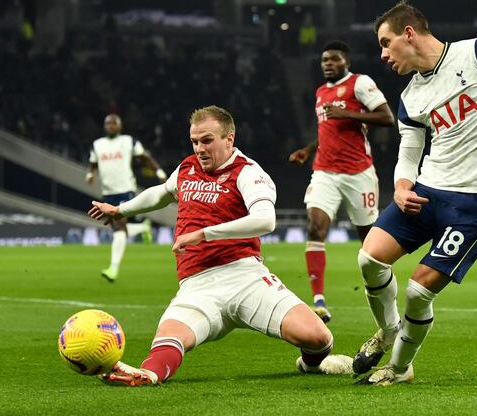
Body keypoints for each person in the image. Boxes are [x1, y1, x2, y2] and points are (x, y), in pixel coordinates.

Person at [87, 106, 352, 386]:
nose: (199, 148)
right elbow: (163, 192)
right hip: (197, 285)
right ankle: (147, 375)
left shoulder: (248, 172)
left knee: (318, 338)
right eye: (195, 141)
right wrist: (120, 210)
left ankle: (309, 365)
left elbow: (265, 220)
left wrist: (204, 234)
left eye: (207, 140)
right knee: (168, 340)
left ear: (229, 138)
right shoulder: (187, 167)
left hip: (245, 277)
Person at [349, 0, 477, 385]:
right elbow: (409, 151)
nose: (383, 55)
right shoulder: (409, 97)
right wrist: (402, 185)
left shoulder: (476, 53)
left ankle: (400, 368)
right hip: (427, 192)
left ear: (409, 33)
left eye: (386, 44)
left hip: (475, 200)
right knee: (369, 259)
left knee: (419, 290)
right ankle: (387, 331)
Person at [288, 40, 395, 323]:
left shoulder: (360, 83)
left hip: (358, 172)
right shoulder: (321, 92)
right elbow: (328, 129)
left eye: (333, 59)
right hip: (324, 170)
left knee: (370, 243)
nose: (327, 64)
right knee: (316, 227)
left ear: (345, 61)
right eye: (324, 60)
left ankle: (381, 292)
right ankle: (319, 302)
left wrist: (347, 112)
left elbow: (387, 117)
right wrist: (308, 150)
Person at [87, 114, 167, 282]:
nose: (110, 125)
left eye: (113, 123)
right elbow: (93, 162)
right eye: (107, 123)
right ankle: (144, 228)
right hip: (107, 192)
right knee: (119, 229)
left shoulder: (128, 141)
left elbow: (145, 157)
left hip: (125, 190)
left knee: (119, 227)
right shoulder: (97, 145)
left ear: (120, 126)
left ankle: (113, 269)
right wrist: (90, 173)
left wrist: (158, 171)